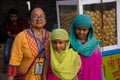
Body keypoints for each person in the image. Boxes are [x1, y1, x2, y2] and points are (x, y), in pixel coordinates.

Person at [7, 6, 51, 80]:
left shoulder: (51, 37)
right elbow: (14, 63)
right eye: (35, 16)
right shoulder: (21, 37)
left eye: (42, 16)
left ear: (45, 20)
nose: (39, 19)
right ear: (29, 21)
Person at [70, 14, 102, 80]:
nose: (81, 32)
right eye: (78, 29)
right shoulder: (70, 44)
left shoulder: (95, 45)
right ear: (74, 28)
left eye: (84, 30)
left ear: (89, 30)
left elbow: (99, 67)